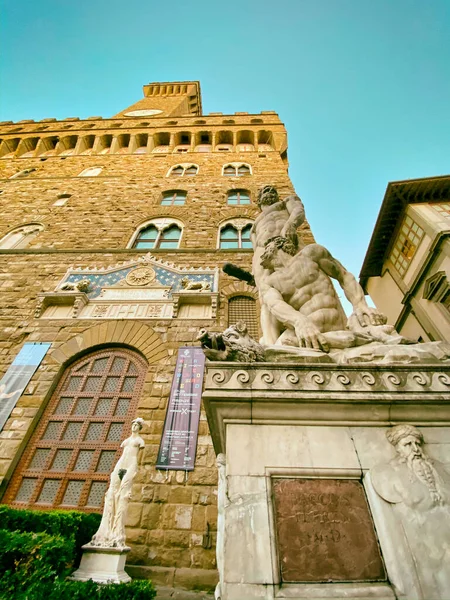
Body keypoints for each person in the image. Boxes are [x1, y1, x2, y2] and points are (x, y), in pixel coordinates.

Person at [259, 236, 398, 351]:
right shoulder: (269, 281)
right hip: (305, 328)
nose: (263, 251)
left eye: (267, 246)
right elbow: (275, 305)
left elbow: (344, 276)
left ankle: (350, 338)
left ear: (278, 244)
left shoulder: (311, 253)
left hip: (333, 317)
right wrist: (299, 321)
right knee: (276, 350)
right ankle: (350, 340)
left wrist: (360, 305)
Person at [370, 425, 450, 599]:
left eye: (417, 444)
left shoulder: (439, 469)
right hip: (421, 537)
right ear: (398, 448)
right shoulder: (391, 473)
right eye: (408, 445)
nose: (415, 450)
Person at [224, 185, 306, 344]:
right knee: (265, 295)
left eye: (272, 191)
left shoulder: (285, 202)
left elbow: (298, 212)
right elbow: (256, 249)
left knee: (302, 281)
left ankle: (305, 322)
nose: (269, 192)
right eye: (264, 191)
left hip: (288, 243)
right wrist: (255, 269)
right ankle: (270, 342)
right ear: (258, 199)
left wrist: (290, 225)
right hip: (263, 253)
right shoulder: (254, 226)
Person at [91, 417, 145, 548]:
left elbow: (140, 456)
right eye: (133, 424)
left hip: (131, 464)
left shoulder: (139, 441)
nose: (134, 427)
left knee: (123, 494)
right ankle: (106, 530)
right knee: (112, 492)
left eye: (137, 425)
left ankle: (117, 532)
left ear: (140, 428)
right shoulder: (126, 441)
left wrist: (137, 467)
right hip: (121, 463)